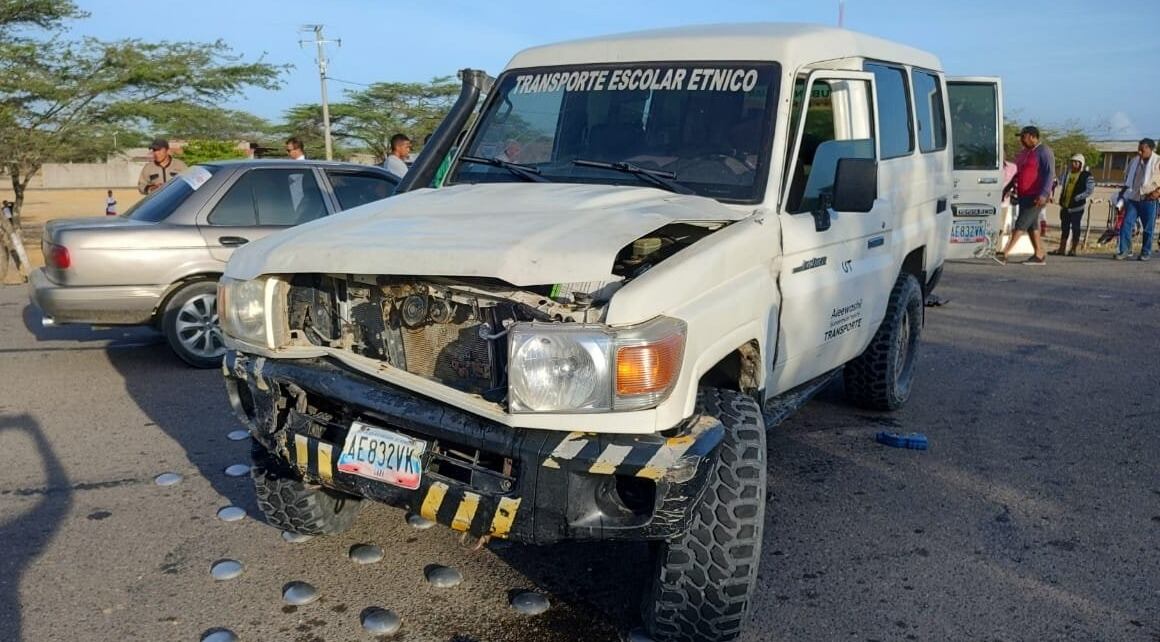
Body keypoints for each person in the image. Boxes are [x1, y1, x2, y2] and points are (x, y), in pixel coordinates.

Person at [997, 126, 1054, 265]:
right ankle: (1039, 254)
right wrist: (1008, 188)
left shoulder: (1044, 152)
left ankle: (1004, 253)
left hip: (1036, 195)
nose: (1021, 140)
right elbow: (1018, 174)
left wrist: (1044, 194)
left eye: (1024, 137)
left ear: (1033, 137)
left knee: (1021, 223)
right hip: (1023, 194)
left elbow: (1049, 173)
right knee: (1031, 226)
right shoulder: (1024, 153)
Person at [1115, 138, 1160, 261]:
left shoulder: (1157, 161)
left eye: (1143, 149)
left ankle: (1145, 252)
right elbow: (1128, 179)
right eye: (1139, 149)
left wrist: (1158, 193)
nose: (1140, 152)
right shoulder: (1134, 161)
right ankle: (1125, 250)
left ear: (1151, 149)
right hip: (1134, 198)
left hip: (1149, 199)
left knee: (1148, 228)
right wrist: (1122, 194)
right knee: (1126, 224)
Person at [1050, 154, 1094, 256]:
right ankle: (1062, 248)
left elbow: (1090, 190)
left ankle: (1073, 249)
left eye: (1076, 162)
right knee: (1064, 228)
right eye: (1072, 162)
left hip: (1077, 208)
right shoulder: (1067, 174)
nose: (1073, 164)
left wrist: (1078, 198)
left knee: (1076, 228)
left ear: (1081, 164)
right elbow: (1058, 182)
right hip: (1065, 206)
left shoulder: (1087, 175)